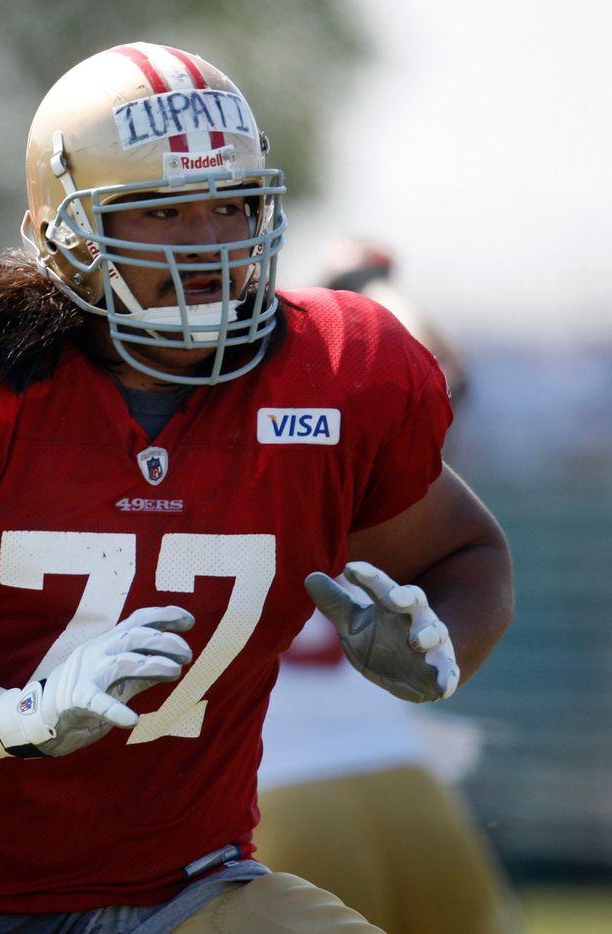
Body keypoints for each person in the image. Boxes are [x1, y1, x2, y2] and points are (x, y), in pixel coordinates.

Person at [0, 41, 515, 933]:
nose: (211, 246)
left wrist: (438, 644)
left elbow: (466, 553)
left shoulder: (338, 375)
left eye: (233, 205)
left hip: (174, 887)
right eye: (161, 212)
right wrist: (12, 718)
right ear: (59, 229)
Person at [250, 240, 521, 934]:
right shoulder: (354, 457)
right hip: (408, 783)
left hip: (275, 793)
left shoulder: (217, 458)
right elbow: (443, 379)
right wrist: (373, 293)